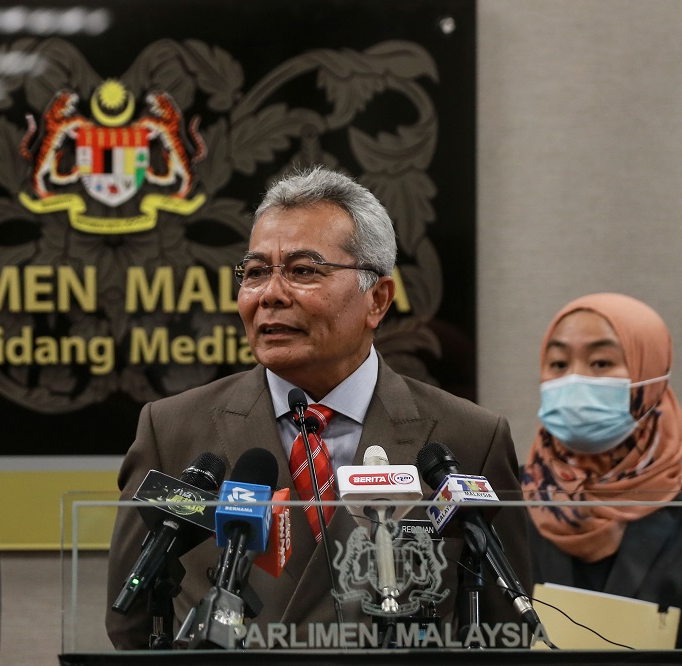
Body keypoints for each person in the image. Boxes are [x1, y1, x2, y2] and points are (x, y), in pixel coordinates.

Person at [105, 166, 531, 649]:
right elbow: (131, 624)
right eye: (257, 271)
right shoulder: (171, 429)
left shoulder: (470, 438)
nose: (270, 294)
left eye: (304, 271)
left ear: (378, 299)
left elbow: (506, 633)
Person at [521, 293, 682, 625]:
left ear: (649, 370)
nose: (575, 378)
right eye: (559, 364)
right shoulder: (512, 494)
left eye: (601, 363)